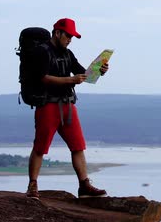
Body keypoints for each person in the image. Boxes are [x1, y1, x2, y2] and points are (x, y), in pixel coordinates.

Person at [26, 17, 108, 199]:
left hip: (67, 106)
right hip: (47, 105)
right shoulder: (42, 52)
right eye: (68, 35)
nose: (70, 39)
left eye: (72, 36)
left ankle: (84, 185)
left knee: (78, 146)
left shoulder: (67, 53)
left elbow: (82, 73)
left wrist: (98, 71)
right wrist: (70, 80)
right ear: (57, 32)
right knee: (40, 147)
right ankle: (32, 186)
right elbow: (43, 77)